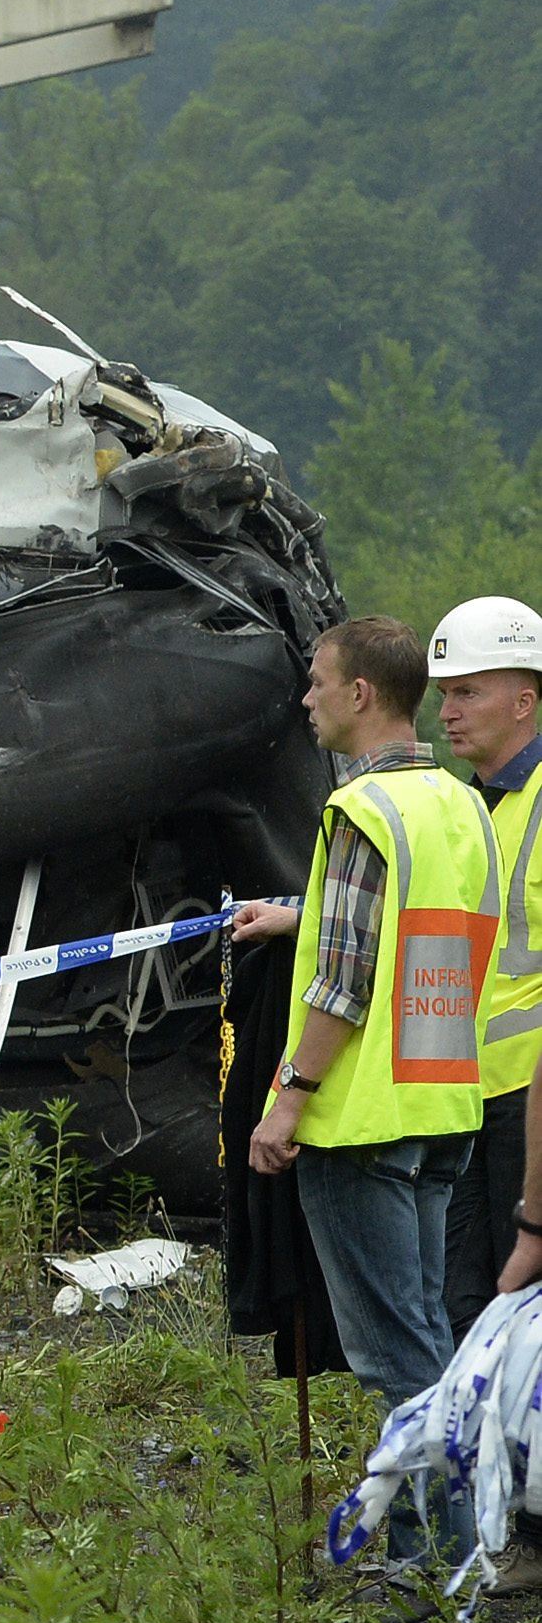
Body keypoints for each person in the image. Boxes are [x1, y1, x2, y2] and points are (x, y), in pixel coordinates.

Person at [236, 615, 496, 1559]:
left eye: (316, 681)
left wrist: (289, 1096)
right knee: (427, 1337)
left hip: (361, 1122)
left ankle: (434, 1568)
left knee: (399, 1360)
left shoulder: (359, 815)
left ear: (359, 695)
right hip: (444, 1107)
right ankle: (455, 1553)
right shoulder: (460, 805)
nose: (305, 698)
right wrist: (296, 915)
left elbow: (344, 977)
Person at [437, 598, 542, 1325]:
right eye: (443, 693)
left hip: (528, 1102)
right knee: (464, 1310)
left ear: (524, 700)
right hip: (461, 1098)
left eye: (467, 690)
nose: (447, 710)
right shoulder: (469, 807)